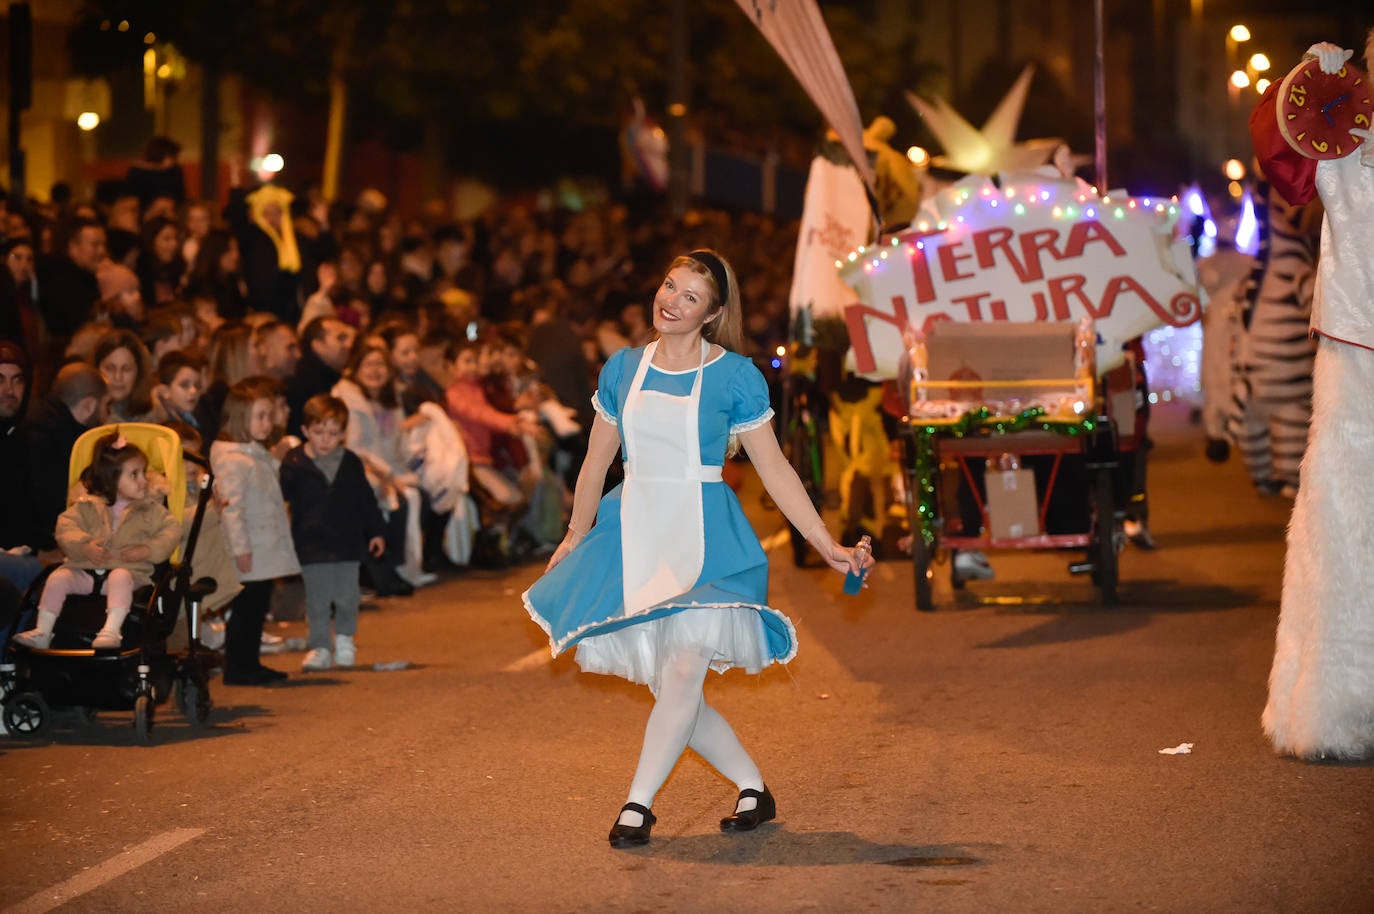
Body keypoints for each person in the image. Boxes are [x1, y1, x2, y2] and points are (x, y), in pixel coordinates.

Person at [522, 250, 873, 848]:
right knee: (675, 691)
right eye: (669, 285)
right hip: (635, 533)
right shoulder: (623, 368)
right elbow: (595, 462)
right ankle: (753, 789)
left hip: (710, 539)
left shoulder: (735, 375)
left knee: (683, 674)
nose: (672, 300)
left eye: (691, 296)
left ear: (712, 313)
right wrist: (575, 536)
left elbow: (777, 469)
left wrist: (824, 543)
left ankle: (636, 807)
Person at [1254, 35, 1374, 761]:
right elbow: (1285, 163)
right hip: (1358, 358)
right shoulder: (1338, 119)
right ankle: (1335, 706)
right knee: (1345, 524)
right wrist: (1306, 80)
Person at [13, 432, 181, 650]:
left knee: (119, 576)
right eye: (134, 475)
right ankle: (43, 630)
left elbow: (172, 531)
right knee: (58, 577)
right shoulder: (86, 505)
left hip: (131, 572)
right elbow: (65, 527)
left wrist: (148, 550)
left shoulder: (150, 509)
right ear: (111, 478)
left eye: (143, 473)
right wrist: (83, 546)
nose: (143, 481)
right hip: (86, 570)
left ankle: (111, 630)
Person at [279, 395, 387, 671]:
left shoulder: (350, 462)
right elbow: (281, 501)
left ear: (343, 434)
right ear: (305, 431)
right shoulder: (293, 463)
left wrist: (375, 531)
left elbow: (365, 498)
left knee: (347, 595)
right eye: (318, 432)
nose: (326, 440)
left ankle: (345, 638)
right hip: (311, 544)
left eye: (333, 434)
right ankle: (319, 646)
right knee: (317, 599)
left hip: (347, 542)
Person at [211, 377, 301, 685]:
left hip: (262, 545)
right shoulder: (233, 460)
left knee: (257, 606)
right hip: (251, 549)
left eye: (269, 415)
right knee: (248, 609)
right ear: (240, 418)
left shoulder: (252, 452)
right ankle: (239, 666)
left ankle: (248, 662)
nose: (267, 423)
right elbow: (232, 509)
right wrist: (240, 549)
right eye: (260, 416)